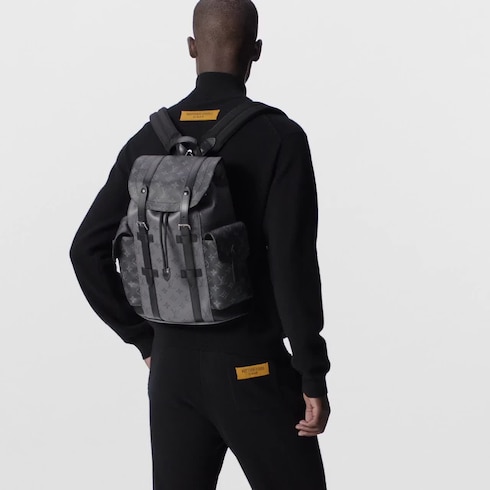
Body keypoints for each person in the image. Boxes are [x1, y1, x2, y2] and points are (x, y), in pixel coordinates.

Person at [69, 0, 331, 488]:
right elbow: (292, 266)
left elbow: (85, 250)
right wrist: (312, 372)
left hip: (171, 373)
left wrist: (143, 338)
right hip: (253, 367)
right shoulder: (279, 136)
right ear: (256, 50)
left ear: (192, 47)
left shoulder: (148, 139)